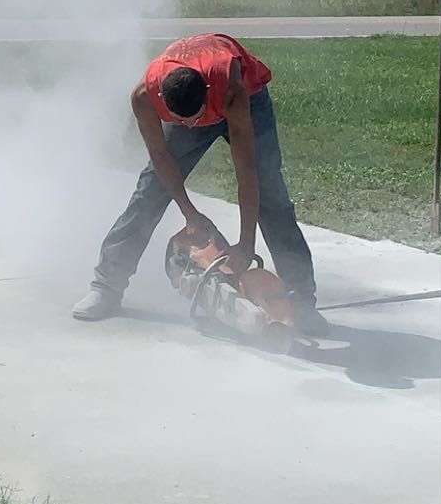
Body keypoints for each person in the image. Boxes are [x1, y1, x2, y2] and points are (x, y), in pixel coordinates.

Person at [72, 32, 323, 329]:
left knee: (272, 196)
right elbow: (161, 159)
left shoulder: (231, 91)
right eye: (181, 120)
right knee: (149, 192)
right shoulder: (144, 97)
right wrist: (190, 213)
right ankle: (106, 286)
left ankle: (301, 299)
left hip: (247, 100)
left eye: (196, 117)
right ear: (163, 100)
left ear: (205, 93)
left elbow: (247, 170)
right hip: (195, 99)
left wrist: (245, 245)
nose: (191, 126)